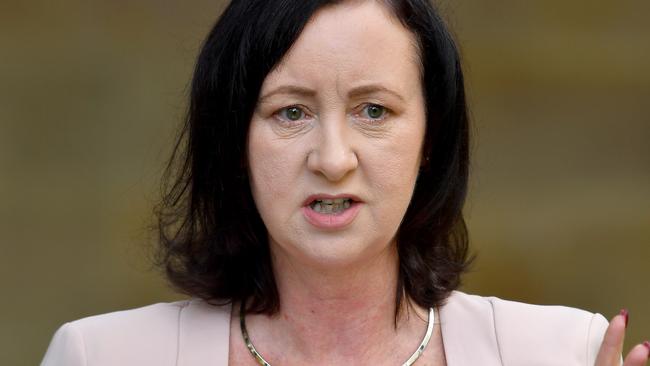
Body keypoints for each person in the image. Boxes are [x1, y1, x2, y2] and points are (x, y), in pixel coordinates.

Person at [41, 0, 649, 365]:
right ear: (234, 141)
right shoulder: (101, 356)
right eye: (291, 112)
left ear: (430, 140)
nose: (333, 159)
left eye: (374, 111)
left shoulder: (560, 353)